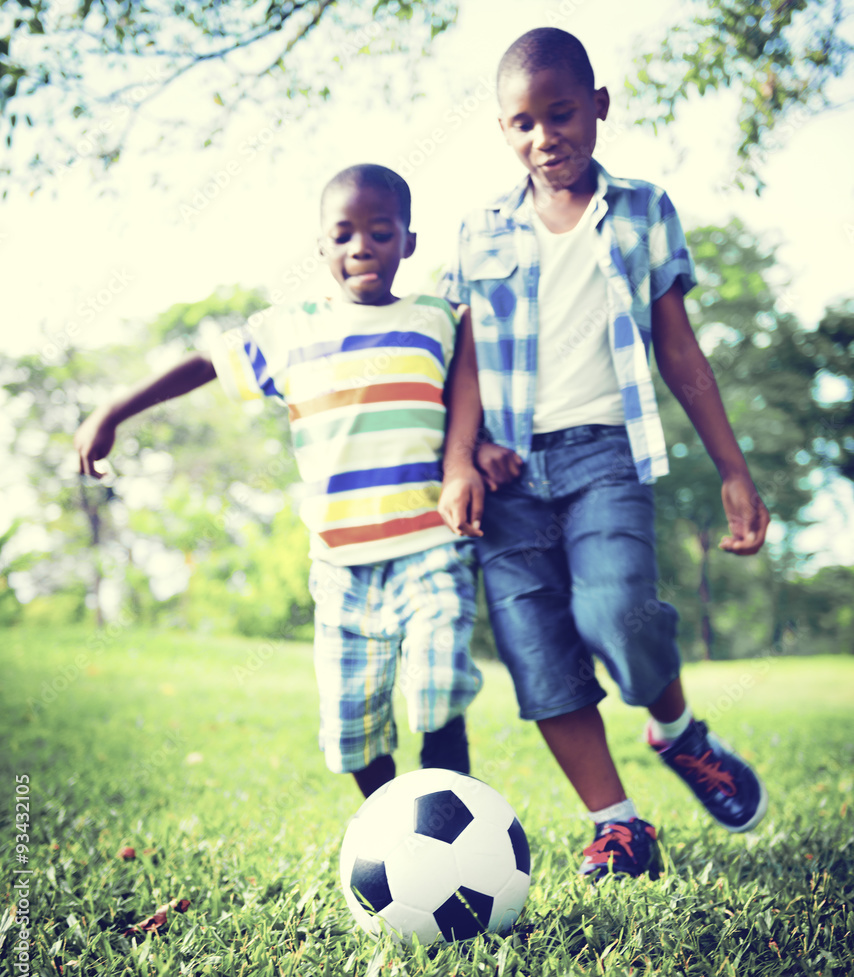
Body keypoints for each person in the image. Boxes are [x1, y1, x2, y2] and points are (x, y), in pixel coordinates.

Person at [437, 28, 771, 879]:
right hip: (508, 475)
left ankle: (676, 728)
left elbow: (680, 351)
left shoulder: (644, 210)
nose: (545, 136)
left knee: (617, 613)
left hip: (604, 458)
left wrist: (734, 467)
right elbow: (466, 357)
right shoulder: (479, 230)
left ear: (597, 107)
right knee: (536, 651)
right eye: (522, 123)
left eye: (560, 114)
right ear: (503, 131)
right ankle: (618, 825)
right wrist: (461, 460)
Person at [75, 163, 482, 799]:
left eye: (380, 231)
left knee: (437, 685)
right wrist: (113, 411)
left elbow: (473, 394)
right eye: (343, 234)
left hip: (429, 543)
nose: (361, 247)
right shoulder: (290, 329)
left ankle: (452, 804)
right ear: (321, 247)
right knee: (353, 729)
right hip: (340, 563)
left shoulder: (439, 319)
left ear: (408, 240)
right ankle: (389, 826)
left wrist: (478, 457)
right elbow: (206, 363)